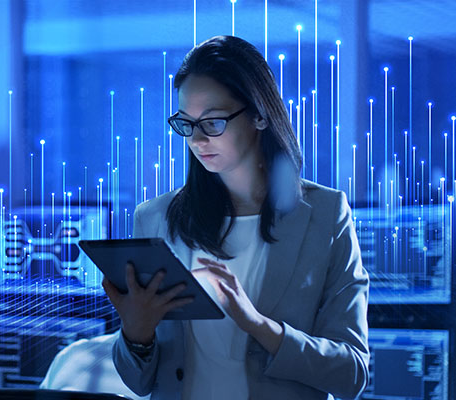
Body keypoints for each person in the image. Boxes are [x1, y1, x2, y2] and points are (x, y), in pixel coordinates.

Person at [102, 35, 369, 400]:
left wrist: (260, 326)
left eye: (212, 122)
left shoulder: (325, 215)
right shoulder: (155, 219)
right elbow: (139, 383)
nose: (196, 140)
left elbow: (352, 374)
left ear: (260, 114)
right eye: (185, 123)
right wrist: (136, 335)